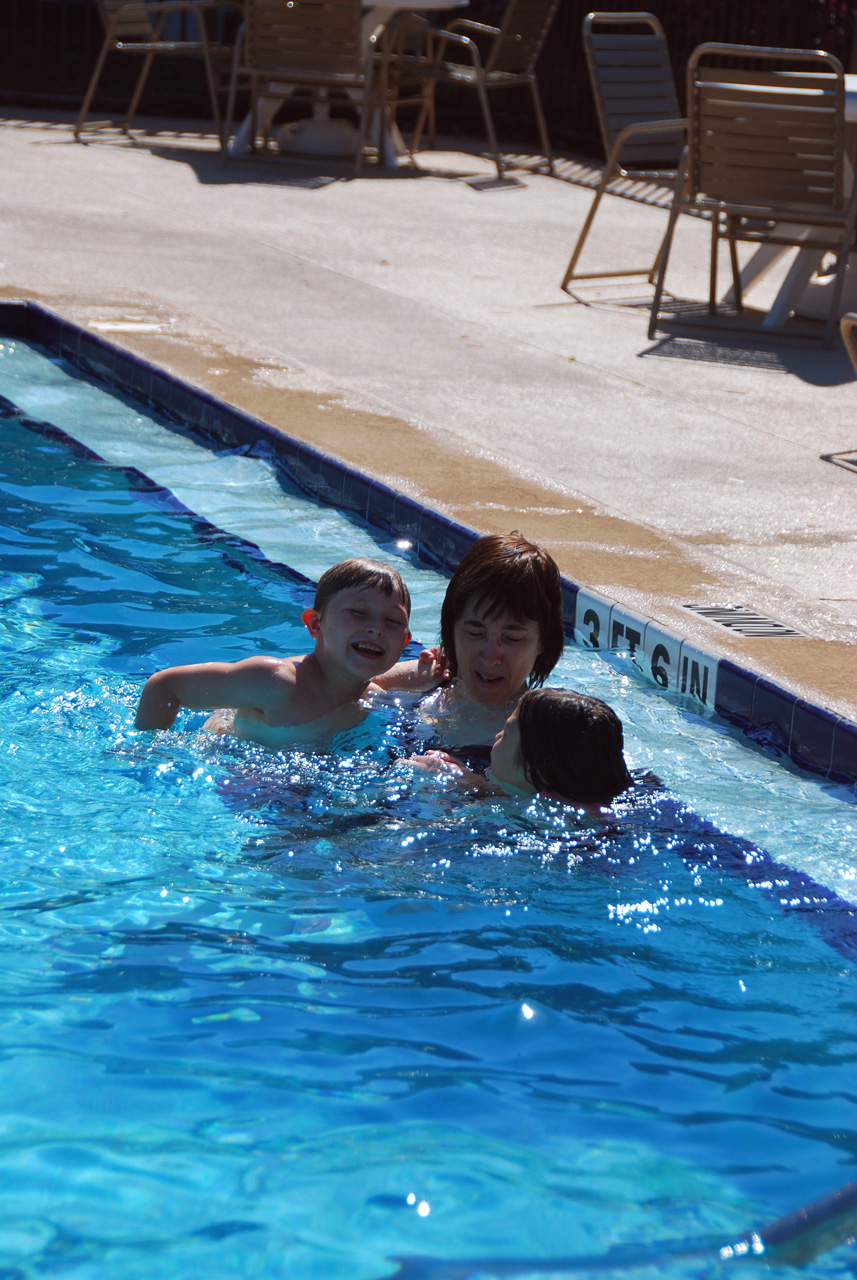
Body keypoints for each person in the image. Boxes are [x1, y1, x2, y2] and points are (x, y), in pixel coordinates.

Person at [133, 558, 412, 748]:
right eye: (358, 612)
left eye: (393, 621)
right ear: (316, 624)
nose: (376, 629)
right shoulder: (274, 682)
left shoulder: (373, 699)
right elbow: (165, 686)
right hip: (227, 769)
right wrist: (150, 753)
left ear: (405, 641)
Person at [376, 532, 565, 750]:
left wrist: (476, 784)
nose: (491, 656)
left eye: (512, 638)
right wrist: (422, 673)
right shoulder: (427, 681)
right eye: (474, 633)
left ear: (543, 641)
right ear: (452, 629)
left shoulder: (546, 736)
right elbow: (348, 687)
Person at [415, 688, 633, 807]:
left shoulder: (558, 818)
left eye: (507, 732)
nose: (497, 735)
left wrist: (478, 789)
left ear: (536, 768)